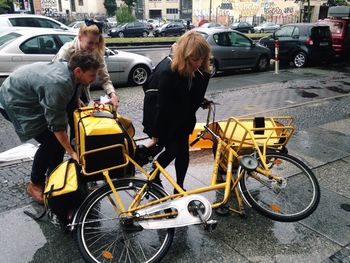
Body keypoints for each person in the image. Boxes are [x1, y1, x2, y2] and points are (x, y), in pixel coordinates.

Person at [0, 51, 101, 204]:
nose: (94, 79)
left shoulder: (74, 75)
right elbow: (57, 126)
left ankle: (54, 178)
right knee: (51, 142)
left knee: (57, 143)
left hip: (28, 93)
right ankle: (34, 184)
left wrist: (76, 101)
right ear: (78, 71)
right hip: (14, 100)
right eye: (92, 75)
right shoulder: (58, 84)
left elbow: (71, 95)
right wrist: (71, 152)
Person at [142, 31, 211, 191]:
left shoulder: (194, 68)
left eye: (202, 58)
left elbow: (185, 93)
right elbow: (162, 106)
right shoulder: (169, 71)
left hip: (181, 118)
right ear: (185, 55)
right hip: (163, 120)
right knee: (173, 150)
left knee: (183, 153)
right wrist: (156, 137)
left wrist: (200, 99)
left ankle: (179, 187)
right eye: (195, 59)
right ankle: (154, 175)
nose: (199, 63)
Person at [54, 18, 119, 110]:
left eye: (96, 43)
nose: (93, 47)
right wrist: (75, 99)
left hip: (84, 93)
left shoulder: (96, 52)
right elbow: (57, 82)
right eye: (90, 43)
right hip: (64, 95)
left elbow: (105, 79)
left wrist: (113, 95)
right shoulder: (66, 51)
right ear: (80, 37)